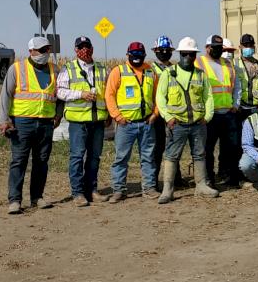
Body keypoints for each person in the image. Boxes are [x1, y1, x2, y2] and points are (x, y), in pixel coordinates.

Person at [0, 37, 59, 214]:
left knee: (41, 161)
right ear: (31, 51)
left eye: (47, 49)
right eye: (41, 50)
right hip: (22, 123)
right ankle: (15, 200)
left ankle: (37, 197)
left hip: (46, 123)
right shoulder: (17, 69)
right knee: (19, 161)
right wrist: (4, 121)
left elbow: (61, 94)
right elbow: (5, 96)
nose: (45, 53)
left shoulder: (55, 69)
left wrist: (59, 115)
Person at [155, 37, 219, 204]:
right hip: (177, 124)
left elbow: (208, 96)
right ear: (179, 54)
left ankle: (201, 185)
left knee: (199, 154)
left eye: (191, 55)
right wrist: (168, 118)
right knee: (171, 156)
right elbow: (160, 98)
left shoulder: (200, 74)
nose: (188, 58)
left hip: (198, 123)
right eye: (185, 54)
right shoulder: (168, 74)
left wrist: (208, 116)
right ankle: (168, 189)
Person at [56, 36, 109, 206]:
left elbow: (108, 93)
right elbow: (60, 92)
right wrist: (81, 94)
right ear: (75, 50)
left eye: (87, 46)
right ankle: (78, 193)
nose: (84, 50)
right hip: (78, 122)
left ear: (92, 48)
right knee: (77, 157)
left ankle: (92, 190)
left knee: (94, 157)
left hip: (98, 120)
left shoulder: (102, 68)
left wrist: (108, 113)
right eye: (81, 47)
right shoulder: (68, 68)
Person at [104, 42, 159, 202]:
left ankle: (149, 189)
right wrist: (117, 117)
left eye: (140, 56)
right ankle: (119, 190)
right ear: (128, 55)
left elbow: (158, 96)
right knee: (121, 158)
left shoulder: (150, 71)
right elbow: (110, 95)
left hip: (147, 123)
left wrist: (155, 114)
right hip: (125, 125)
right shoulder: (118, 72)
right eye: (134, 56)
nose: (137, 59)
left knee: (148, 157)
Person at [196, 35, 241, 187]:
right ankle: (209, 180)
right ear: (207, 47)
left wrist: (236, 104)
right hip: (210, 116)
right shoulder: (199, 63)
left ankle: (233, 179)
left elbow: (236, 86)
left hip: (228, 113)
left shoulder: (227, 64)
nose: (217, 50)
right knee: (208, 150)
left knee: (232, 149)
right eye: (214, 47)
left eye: (220, 48)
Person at [150, 35, 184, 188]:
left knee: (174, 147)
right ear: (155, 51)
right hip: (157, 115)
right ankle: (154, 181)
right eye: (161, 50)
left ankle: (176, 179)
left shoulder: (176, 69)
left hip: (173, 115)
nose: (164, 52)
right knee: (157, 149)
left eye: (167, 50)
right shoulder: (150, 69)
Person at [235, 33, 258, 119]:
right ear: (240, 47)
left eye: (251, 45)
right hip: (240, 108)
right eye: (245, 45)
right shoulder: (234, 64)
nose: (248, 47)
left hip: (257, 108)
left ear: (254, 47)